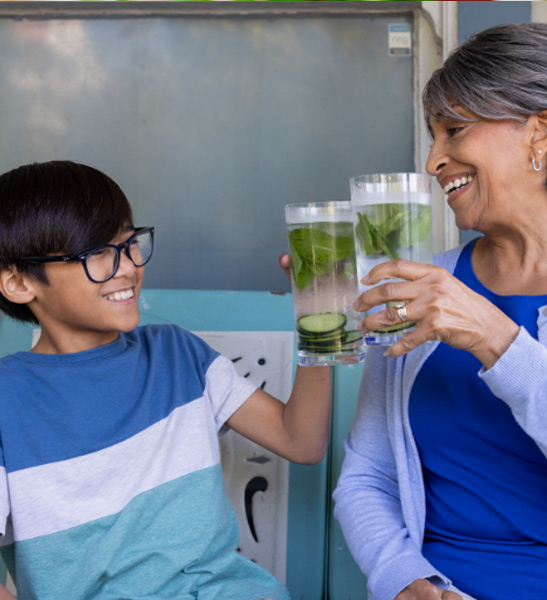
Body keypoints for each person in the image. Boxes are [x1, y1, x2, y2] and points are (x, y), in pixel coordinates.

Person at [332, 22, 547, 600]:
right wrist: (405, 581)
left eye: (454, 130)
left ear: (541, 132)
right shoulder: (422, 284)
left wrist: (499, 342)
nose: (434, 161)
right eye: (432, 136)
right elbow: (367, 476)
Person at [0, 160, 332, 600]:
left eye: (128, 242)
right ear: (20, 283)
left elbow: (302, 441)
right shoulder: (9, 401)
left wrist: (317, 321)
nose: (127, 267)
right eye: (96, 253)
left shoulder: (179, 354)